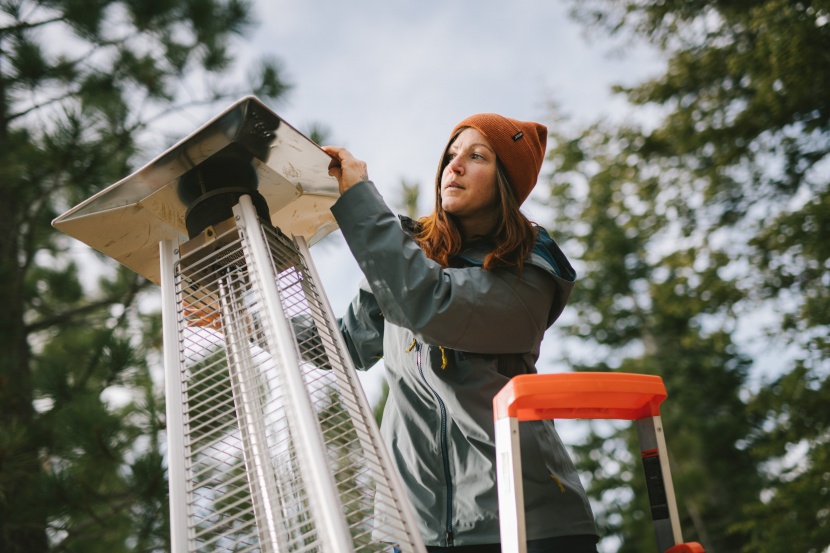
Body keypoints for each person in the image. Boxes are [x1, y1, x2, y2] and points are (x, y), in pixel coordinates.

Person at [322, 114, 598, 553]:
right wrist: (242, 311)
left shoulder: (529, 272)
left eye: (476, 156)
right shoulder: (406, 255)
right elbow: (344, 344)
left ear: (505, 180)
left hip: (523, 525)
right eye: (451, 155)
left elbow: (428, 303)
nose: (454, 166)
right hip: (412, 529)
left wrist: (359, 200)